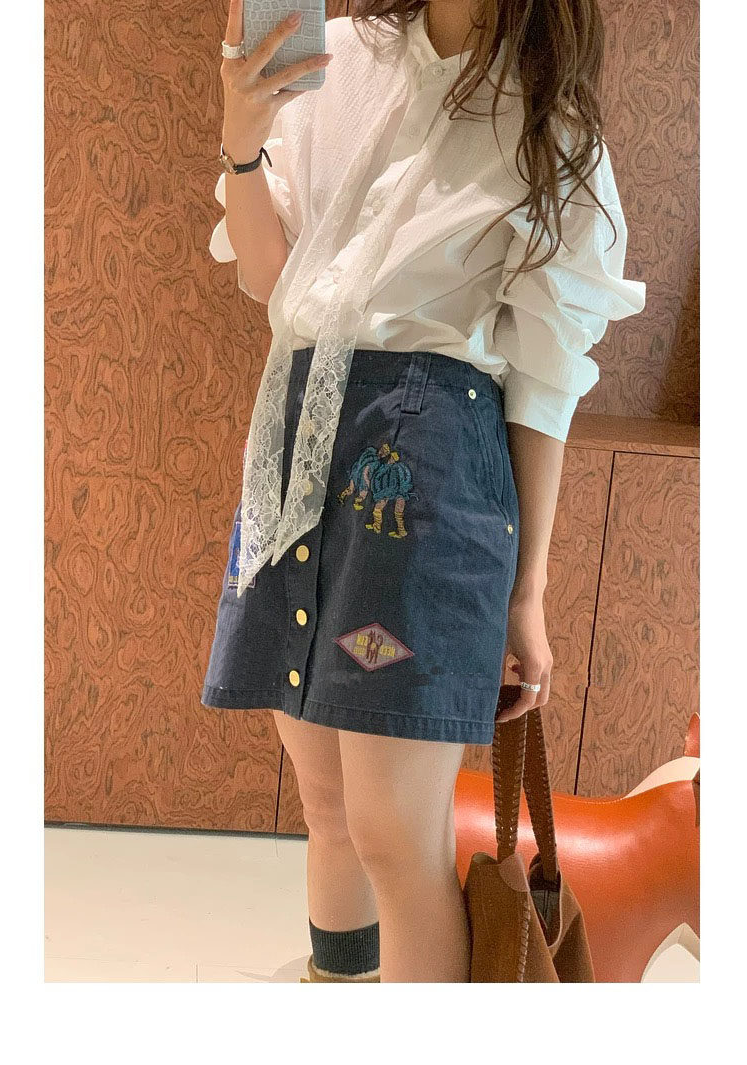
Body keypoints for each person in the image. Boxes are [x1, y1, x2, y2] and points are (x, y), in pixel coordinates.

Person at [201, 0, 646, 983]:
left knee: (395, 834)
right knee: (329, 807)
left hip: (425, 481)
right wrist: (242, 141)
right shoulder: (335, 59)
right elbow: (268, 277)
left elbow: (545, 380)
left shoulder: (550, 126)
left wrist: (527, 592)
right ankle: (338, 990)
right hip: (294, 451)